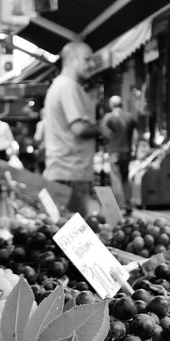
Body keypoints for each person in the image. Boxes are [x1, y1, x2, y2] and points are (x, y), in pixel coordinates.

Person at [42, 40, 101, 217]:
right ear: (73, 59)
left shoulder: (58, 85)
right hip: (71, 173)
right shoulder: (68, 86)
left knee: (65, 230)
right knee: (76, 236)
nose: (92, 65)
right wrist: (103, 128)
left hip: (64, 171)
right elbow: (79, 128)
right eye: (87, 60)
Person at [99, 95, 138, 213]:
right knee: (125, 178)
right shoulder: (129, 117)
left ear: (111, 105)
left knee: (116, 179)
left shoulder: (108, 118)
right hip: (127, 152)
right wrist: (134, 149)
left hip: (114, 152)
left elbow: (104, 134)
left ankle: (121, 206)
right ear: (122, 104)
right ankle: (128, 204)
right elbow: (136, 134)